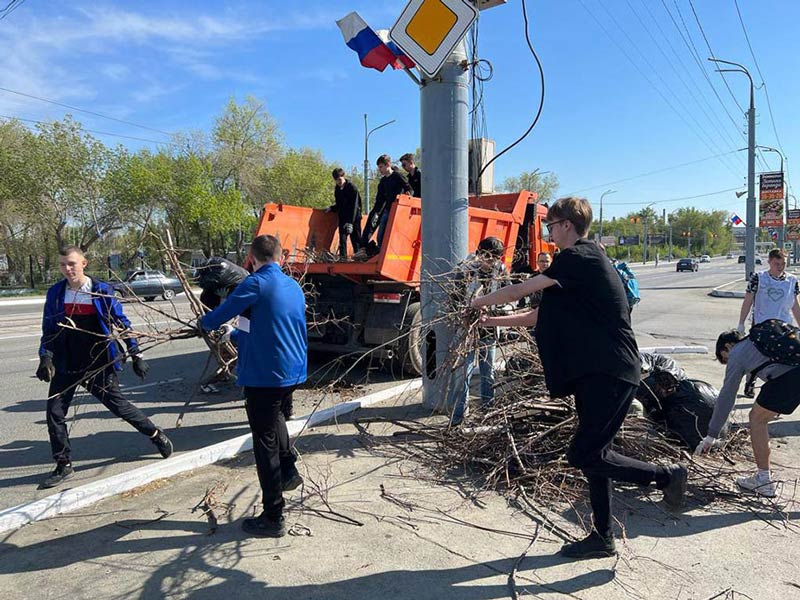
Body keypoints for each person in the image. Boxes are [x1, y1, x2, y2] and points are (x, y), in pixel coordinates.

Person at [472, 197, 687, 560]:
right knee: (597, 455)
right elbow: (538, 315)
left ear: (566, 225)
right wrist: (491, 322)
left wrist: (476, 304)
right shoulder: (579, 267)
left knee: (584, 453)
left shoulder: (578, 257)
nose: (548, 233)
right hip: (596, 373)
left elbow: (517, 291)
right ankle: (602, 537)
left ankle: (666, 476)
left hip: (611, 372)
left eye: (550, 226)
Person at [36, 246, 172, 489]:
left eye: (72, 264)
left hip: (98, 362)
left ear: (84, 264)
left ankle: (156, 435)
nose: (67, 269)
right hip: (66, 364)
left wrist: (135, 354)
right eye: (63, 265)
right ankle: (63, 463)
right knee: (54, 412)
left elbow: (122, 324)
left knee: (118, 406)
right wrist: (45, 357)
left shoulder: (101, 291)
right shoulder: (56, 293)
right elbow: (48, 329)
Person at [199, 234, 307, 538]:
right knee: (276, 419)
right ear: (281, 257)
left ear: (251, 257)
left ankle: (273, 516)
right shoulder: (293, 286)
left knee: (264, 444)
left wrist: (205, 324)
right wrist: (232, 335)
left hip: (265, 376)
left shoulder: (254, 283)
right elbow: (266, 325)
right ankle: (288, 470)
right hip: (292, 372)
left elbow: (220, 313)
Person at [696, 329, 800, 497]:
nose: (727, 362)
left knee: (757, 419)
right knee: (761, 413)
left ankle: (763, 481)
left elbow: (727, 396)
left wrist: (711, 435)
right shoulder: (758, 342)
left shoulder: (737, 353)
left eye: (724, 357)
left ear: (728, 346)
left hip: (790, 377)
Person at [448, 237, 508, 426]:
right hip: (467, 329)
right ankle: (458, 417)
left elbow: (507, 297)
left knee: (487, 373)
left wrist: (494, 311)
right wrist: (465, 314)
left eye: (494, 258)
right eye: (487, 256)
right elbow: (454, 298)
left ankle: (487, 414)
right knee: (462, 373)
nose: (490, 261)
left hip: (488, 329)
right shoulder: (466, 270)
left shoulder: (502, 271)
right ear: (479, 253)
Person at [737, 248, 800, 397]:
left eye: (783, 263)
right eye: (777, 263)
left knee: (782, 361)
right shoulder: (759, 278)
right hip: (762, 327)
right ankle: (750, 382)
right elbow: (748, 301)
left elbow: (795, 305)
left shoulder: (792, 280)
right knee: (757, 357)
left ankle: (775, 394)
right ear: (769, 262)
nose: (780, 267)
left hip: (784, 329)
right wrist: (741, 323)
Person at [361, 154, 412, 253]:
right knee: (381, 235)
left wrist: (407, 197)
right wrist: (375, 213)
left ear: (387, 164)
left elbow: (409, 188)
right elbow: (379, 199)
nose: (379, 170)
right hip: (387, 210)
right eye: (378, 167)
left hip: (398, 211)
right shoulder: (383, 181)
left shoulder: (397, 176)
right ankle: (381, 254)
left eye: (381, 167)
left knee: (392, 234)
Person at [328, 167, 362, 258]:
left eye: (339, 179)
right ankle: (343, 259)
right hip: (343, 217)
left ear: (343, 176)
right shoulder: (337, 189)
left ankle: (359, 258)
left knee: (355, 239)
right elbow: (339, 204)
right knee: (342, 239)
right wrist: (332, 208)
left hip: (354, 217)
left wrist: (351, 222)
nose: (338, 182)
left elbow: (355, 206)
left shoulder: (352, 188)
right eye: (336, 180)